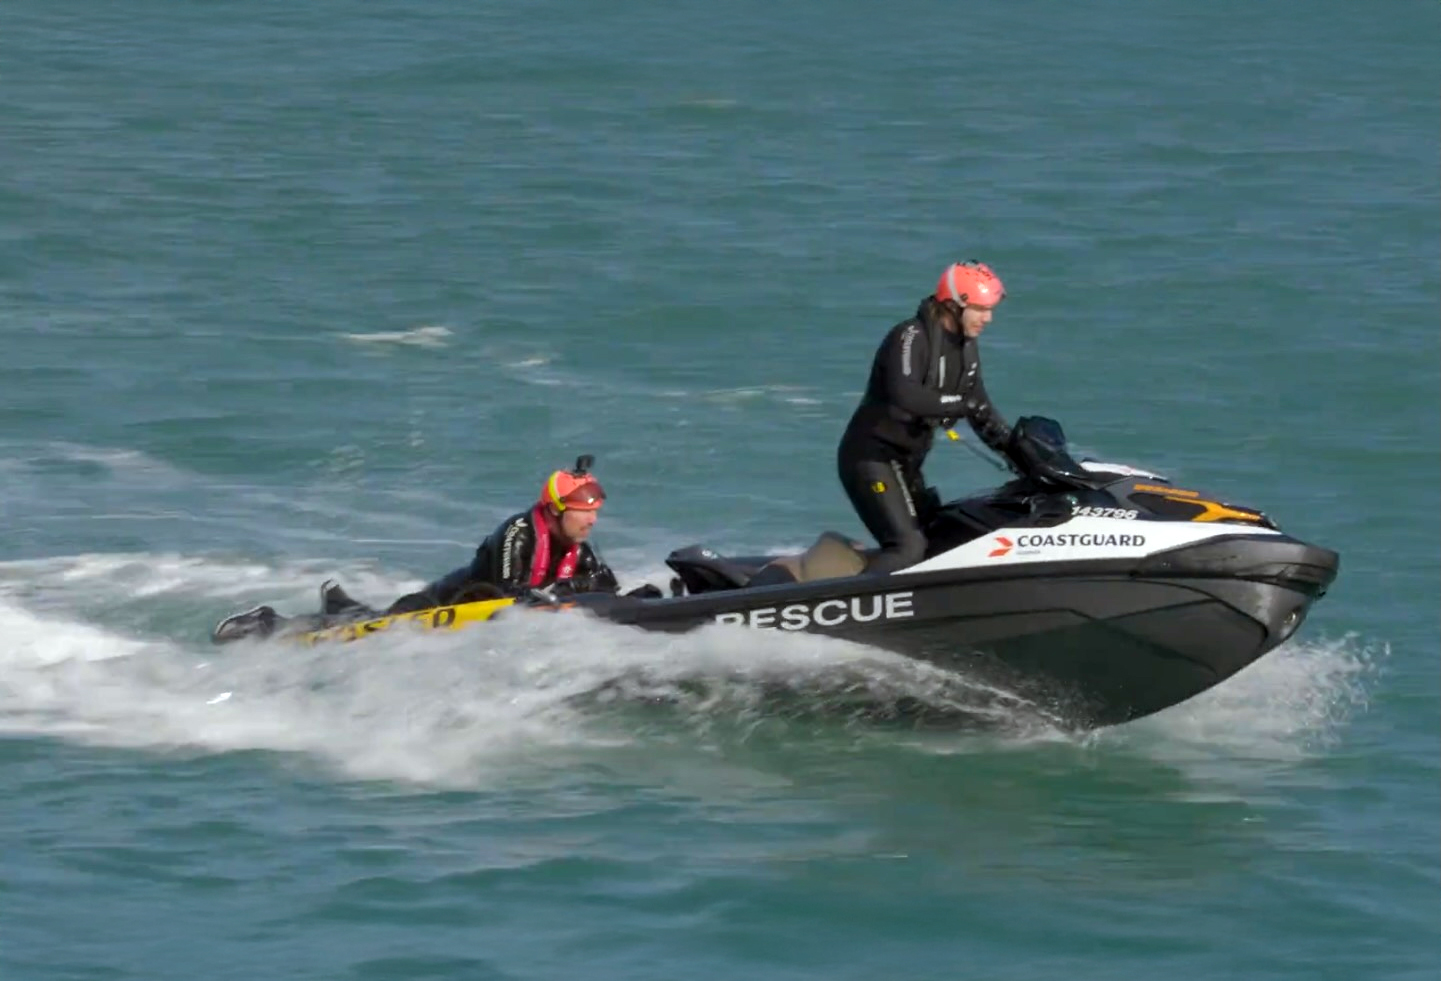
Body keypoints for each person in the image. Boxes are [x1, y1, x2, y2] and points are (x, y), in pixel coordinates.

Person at [836, 260, 1015, 574]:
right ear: (952, 305)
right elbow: (906, 395)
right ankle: (842, 616)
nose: (988, 318)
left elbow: (982, 412)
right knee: (908, 547)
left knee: (943, 535)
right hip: (870, 462)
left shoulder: (965, 349)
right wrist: (962, 404)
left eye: (991, 309)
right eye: (980, 309)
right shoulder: (909, 337)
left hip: (905, 465)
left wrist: (1022, 455)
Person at [323, 457, 624, 616]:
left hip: (484, 614)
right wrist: (571, 587)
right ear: (556, 511)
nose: (592, 520)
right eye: (584, 512)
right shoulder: (517, 534)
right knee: (377, 623)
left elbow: (606, 586)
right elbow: (511, 597)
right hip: (442, 601)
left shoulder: (579, 550)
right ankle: (338, 607)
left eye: (596, 511)